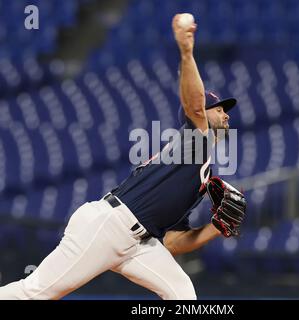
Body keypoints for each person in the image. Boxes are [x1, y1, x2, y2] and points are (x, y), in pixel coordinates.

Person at [0, 14, 243, 300]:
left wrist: (215, 228)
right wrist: (187, 52)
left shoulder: (199, 169)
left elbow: (174, 242)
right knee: (36, 293)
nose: (225, 114)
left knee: (182, 294)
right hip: (108, 227)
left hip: (140, 243)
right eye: (219, 108)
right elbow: (195, 106)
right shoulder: (193, 141)